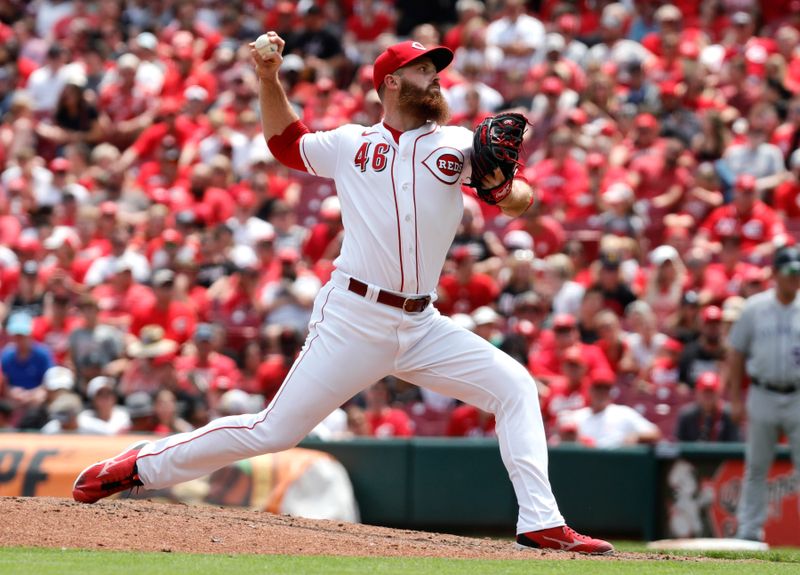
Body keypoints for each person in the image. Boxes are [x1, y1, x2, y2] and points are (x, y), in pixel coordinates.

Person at [72, 35, 612, 555]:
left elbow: (520, 201)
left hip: (423, 325)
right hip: (353, 317)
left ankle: (541, 522)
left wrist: (501, 188)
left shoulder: (455, 144)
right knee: (273, 430)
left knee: (515, 386)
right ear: (392, 83)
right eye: (424, 70)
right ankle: (140, 466)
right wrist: (268, 77)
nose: (435, 78)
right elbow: (286, 144)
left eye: (436, 70)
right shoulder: (351, 144)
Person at [727, 246, 800, 542]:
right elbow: (736, 353)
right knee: (756, 466)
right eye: (789, 273)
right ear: (774, 274)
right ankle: (749, 531)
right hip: (763, 392)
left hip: (797, 395)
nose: (795, 278)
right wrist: (734, 397)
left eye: (798, 273)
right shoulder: (754, 308)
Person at [675, 372, 739, 442]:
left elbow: (736, 443)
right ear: (697, 392)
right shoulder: (686, 415)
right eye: (705, 392)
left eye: (711, 392)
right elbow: (680, 444)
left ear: (719, 393)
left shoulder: (730, 414)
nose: (708, 396)